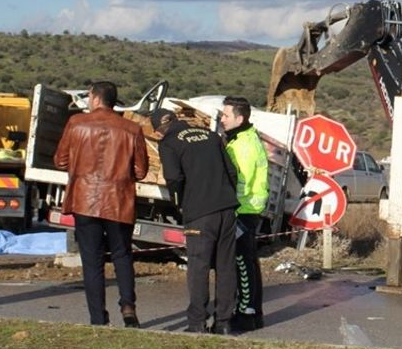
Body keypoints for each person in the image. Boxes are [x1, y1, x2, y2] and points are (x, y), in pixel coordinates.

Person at [54, 81, 148, 327]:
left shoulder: (76, 123)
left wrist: (80, 167)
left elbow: (60, 160)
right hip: (118, 200)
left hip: (85, 199)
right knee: (122, 255)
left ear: (95, 98)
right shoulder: (132, 128)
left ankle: (98, 317)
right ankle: (128, 307)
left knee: (92, 260)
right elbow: (140, 171)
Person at [151, 109, 238, 335]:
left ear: (160, 129)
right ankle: (224, 322)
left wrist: (179, 204)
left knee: (198, 267)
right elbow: (232, 171)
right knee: (225, 266)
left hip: (199, 212)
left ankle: (197, 322)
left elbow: (174, 179)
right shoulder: (210, 136)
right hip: (227, 208)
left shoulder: (169, 143)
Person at [220, 96, 268, 331]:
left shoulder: (244, 144)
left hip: (244, 209)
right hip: (247, 208)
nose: (222, 119)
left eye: (226, 115)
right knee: (248, 261)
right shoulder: (242, 138)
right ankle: (252, 311)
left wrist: (228, 206)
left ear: (239, 118)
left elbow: (243, 181)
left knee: (242, 263)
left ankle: (246, 313)